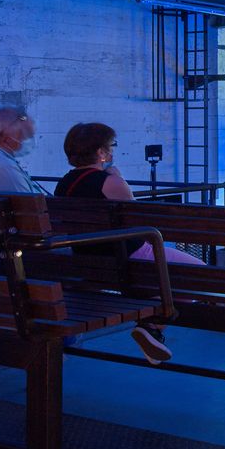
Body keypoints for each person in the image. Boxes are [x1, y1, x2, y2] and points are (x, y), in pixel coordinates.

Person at [54, 122, 199, 365]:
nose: (112, 151)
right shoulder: (110, 182)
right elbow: (138, 222)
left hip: (91, 263)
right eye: (111, 146)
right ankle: (153, 323)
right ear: (101, 152)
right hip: (130, 258)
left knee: (167, 277)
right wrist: (118, 178)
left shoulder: (64, 184)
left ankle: (152, 323)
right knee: (198, 273)